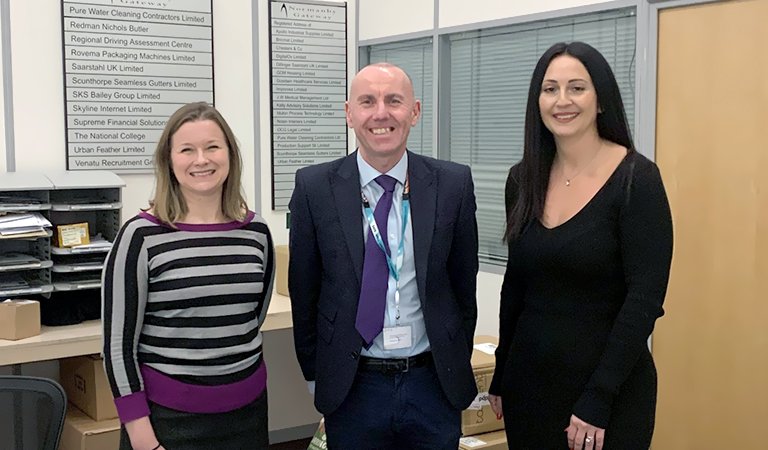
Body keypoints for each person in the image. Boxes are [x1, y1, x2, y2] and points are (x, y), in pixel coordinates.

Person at [487, 42, 673, 450]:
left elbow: (644, 299)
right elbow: (515, 285)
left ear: (601, 98)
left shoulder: (636, 180)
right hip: (529, 385)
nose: (562, 101)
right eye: (550, 89)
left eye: (577, 88)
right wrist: (501, 373)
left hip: (608, 393)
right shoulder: (523, 179)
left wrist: (599, 398)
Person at [288, 62, 479, 450]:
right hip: (353, 385)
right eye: (367, 101)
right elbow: (303, 292)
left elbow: (464, 287)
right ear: (348, 114)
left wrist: (452, 358)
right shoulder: (314, 187)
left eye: (394, 101)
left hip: (432, 384)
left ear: (415, 111)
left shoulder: (453, 184)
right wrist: (316, 375)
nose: (381, 113)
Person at [102, 102, 275, 450]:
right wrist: (143, 440)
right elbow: (117, 348)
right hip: (168, 422)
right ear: (169, 160)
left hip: (247, 416)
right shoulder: (140, 237)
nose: (201, 160)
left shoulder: (255, 232)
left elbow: (250, 319)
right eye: (187, 150)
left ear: (230, 155)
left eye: (212, 147)